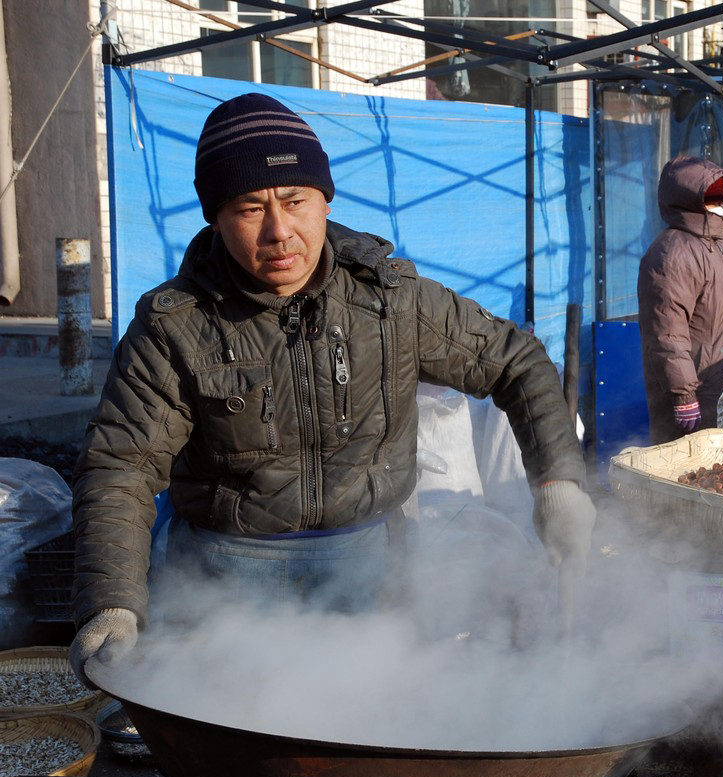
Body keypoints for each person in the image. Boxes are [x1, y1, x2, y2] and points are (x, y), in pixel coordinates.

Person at [68, 93, 596, 682]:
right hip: (228, 584)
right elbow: (121, 467)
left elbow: (515, 361)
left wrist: (558, 481)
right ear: (216, 217)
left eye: (295, 201)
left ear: (325, 200)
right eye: (250, 208)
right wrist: (112, 602)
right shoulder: (176, 325)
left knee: (372, 722)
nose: (279, 231)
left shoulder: (389, 301)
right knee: (239, 726)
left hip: (371, 572)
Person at [637, 156, 723, 444]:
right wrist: (683, 393)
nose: (722, 209)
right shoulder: (672, 253)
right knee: (689, 466)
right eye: (714, 202)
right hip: (701, 394)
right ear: (691, 203)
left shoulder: (722, 250)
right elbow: (666, 331)